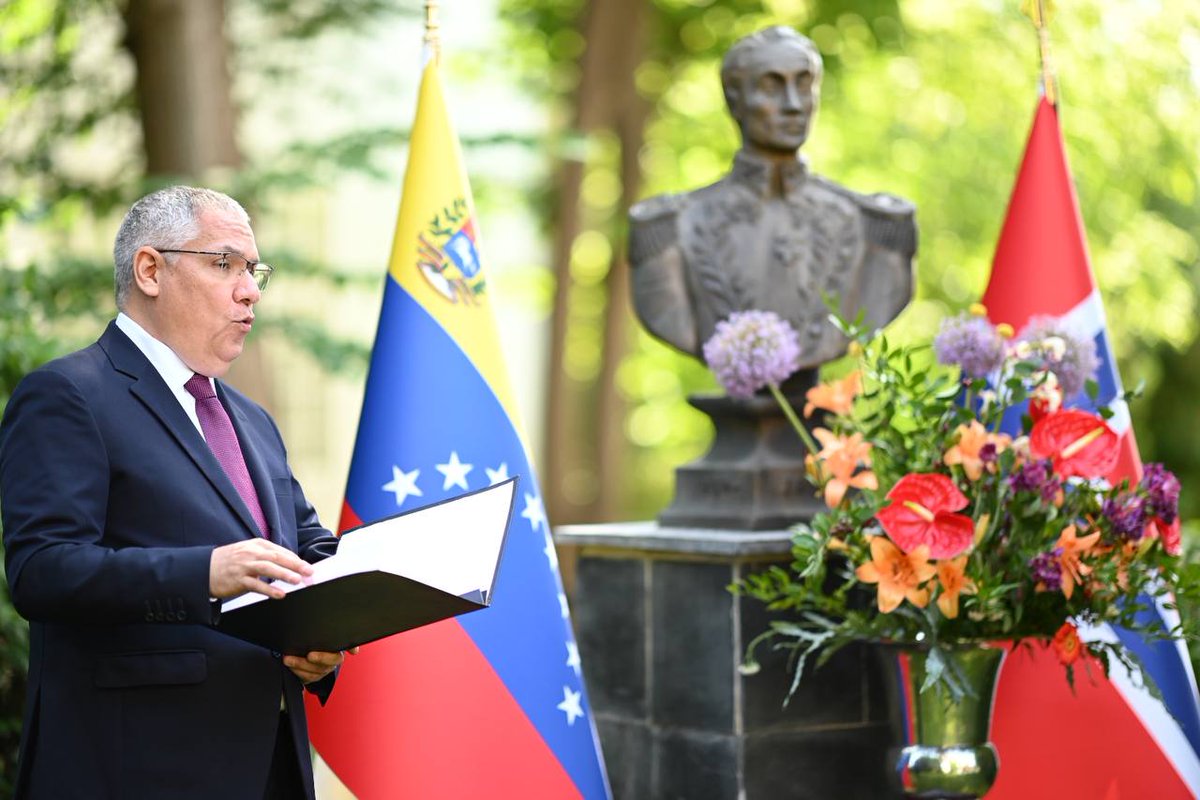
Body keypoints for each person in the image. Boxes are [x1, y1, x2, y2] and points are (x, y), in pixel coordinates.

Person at [0, 186, 351, 799]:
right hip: (137, 771)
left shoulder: (253, 420)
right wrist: (205, 573)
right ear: (150, 270)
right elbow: (42, 570)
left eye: (254, 270)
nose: (250, 291)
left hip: (271, 767)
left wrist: (328, 636)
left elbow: (308, 549)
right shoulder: (69, 394)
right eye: (225, 264)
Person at [628, 26, 916, 371]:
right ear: (735, 99)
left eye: (804, 85)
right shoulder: (673, 226)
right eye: (771, 86)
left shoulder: (872, 225)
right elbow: (669, 316)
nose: (793, 105)